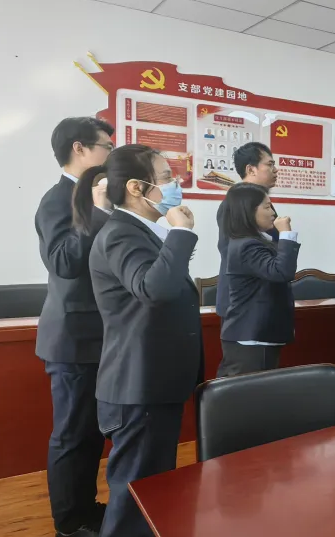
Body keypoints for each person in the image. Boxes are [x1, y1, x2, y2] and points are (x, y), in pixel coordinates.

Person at [73, 144, 201, 537]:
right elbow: (154, 289)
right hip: (137, 386)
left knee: (151, 492)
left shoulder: (143, 231)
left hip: (153, 383)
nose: (175, 184)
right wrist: (181, 233)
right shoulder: (119, 234)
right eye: (166, 178)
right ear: (136, 187)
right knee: (134, 498)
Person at [35, 117, 114, 537]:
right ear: (80, 148)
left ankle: (86, 508)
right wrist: (97, 212)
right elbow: (64, 261)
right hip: (73, 339)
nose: (110, 155)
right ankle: (68, 523)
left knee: (91, 435)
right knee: (71, 435)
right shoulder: (57, 199)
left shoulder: (96, 195)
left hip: (102, 337)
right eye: (106, 147)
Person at [217, 183, 300, 377]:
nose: (273, 213)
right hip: (251, 337)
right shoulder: (247, 245)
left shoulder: (255, 241)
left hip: (258, 335)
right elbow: (281, 271)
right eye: (267, 207)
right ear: (249, 211)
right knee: (249, 393)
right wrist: (286, 234)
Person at [215, 142, 278, 316]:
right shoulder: (235, 205)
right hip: (243, 304)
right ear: (251, 169)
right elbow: (234, 253)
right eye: (270, 164)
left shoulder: (258, 201)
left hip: (259, 300)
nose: (275, 170)